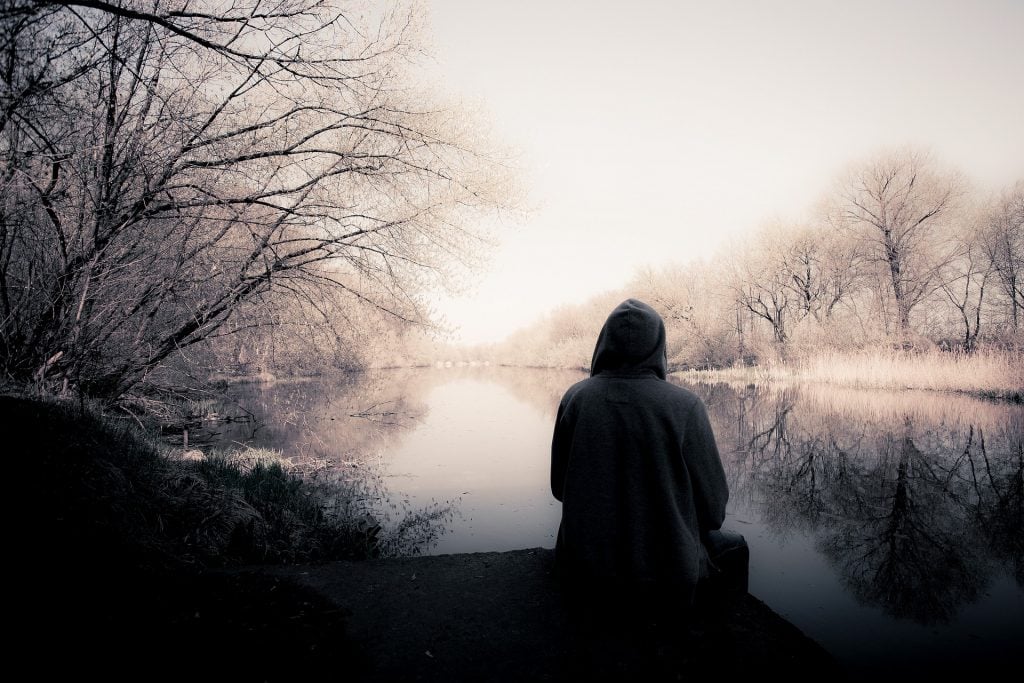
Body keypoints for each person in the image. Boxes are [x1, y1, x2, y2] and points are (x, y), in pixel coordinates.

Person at [550, 298, 747, 620]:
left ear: (604, 343)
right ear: (659, 346)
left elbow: (560, 489)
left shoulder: (576, 398)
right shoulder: (685, 406)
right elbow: (713, 511)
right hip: (664, 577)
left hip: (583, 569)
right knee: (734, 548)